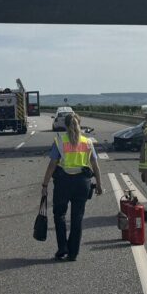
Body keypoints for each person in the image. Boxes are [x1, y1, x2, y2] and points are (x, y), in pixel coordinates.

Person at [41, 112, 103, 261]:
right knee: (77, 218)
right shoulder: (87, 142)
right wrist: (99, 184)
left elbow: (51, 165)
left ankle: (62, 247)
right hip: (82, 183)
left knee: (59, 214)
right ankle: (73, 253)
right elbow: (95, 165)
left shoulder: (60, 141)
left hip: (63, 183)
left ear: (66, 125)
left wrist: (45, 184)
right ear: (79, 124)